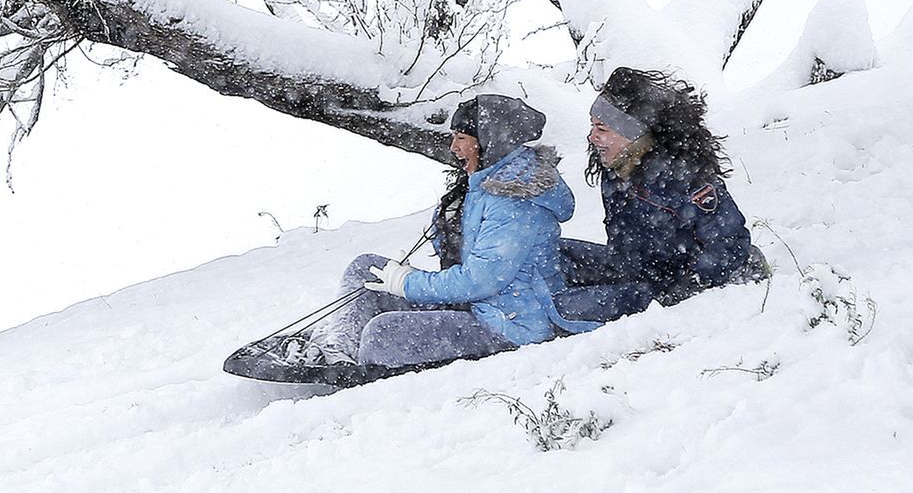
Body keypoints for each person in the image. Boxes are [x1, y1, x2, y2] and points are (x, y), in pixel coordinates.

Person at [313, 93, 598, 369]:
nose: (454, 147)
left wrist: (409, 284)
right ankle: (338, 351)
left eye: (461, 138)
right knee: (366, 269)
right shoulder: (485, 183)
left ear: (490, 142)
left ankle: (353, 369)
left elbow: (480, 280)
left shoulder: (515, 203)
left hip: (509, 324)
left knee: (382, 334)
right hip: (475, 305)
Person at [556, 67, 764, 324]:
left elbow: (730, 244)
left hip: (670, 285)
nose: (592, 137)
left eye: (602, 129)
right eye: (593, 127)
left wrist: (685, 288)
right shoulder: (616, 171)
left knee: (564, 307)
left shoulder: (682, 177)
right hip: (632, 268)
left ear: (632, 134)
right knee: (553, 251)